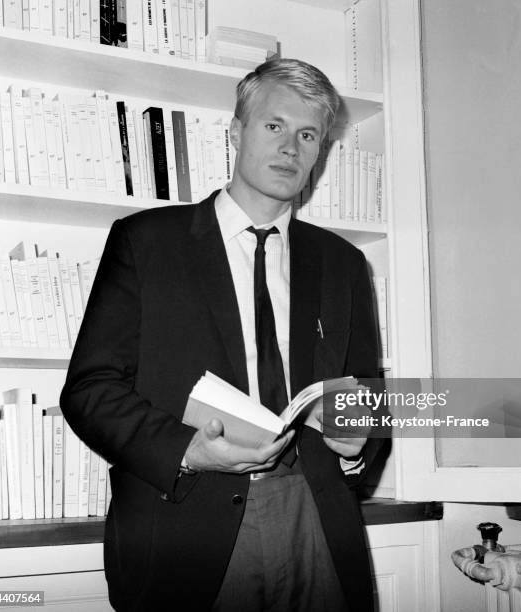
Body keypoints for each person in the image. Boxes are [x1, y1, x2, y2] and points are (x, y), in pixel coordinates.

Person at [60, 57, 384, 612]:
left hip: (317, 519)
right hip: (186, 523)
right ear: (236, 132)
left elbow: (368, 394)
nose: (291, 147)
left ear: (320, 151)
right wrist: (187, 450)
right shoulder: (146, 242)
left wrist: (358, 442)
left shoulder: (344, 263)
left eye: (308, 135)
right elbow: (90, 390)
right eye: (274, 126)